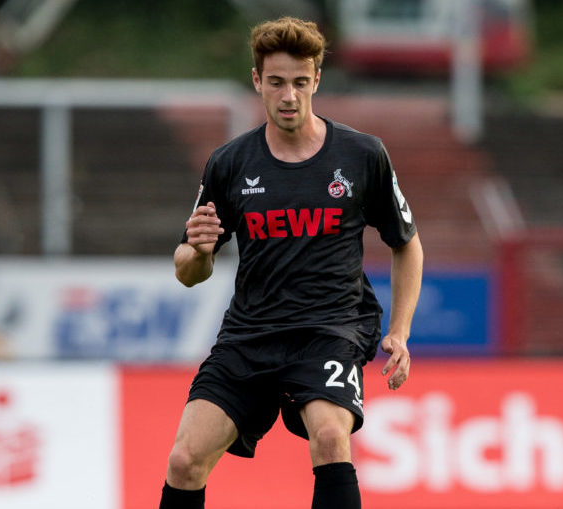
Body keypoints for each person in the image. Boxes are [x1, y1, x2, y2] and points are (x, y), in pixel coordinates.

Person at [160, 16, 423, 509]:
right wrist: (195, 251)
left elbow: (407, 243)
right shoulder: (230, 164)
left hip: (330, 329)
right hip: (250, 334)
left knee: (329, 438)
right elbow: (189, 271)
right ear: (257, 81)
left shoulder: (363, 155)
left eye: (300, 83)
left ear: (317, 80)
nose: (289, 96)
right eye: (276, 82)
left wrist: (401, 330)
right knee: (183, 461)